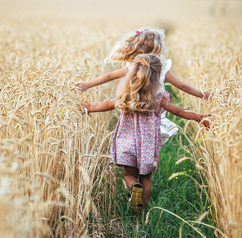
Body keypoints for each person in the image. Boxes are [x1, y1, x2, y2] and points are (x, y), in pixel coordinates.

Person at [79, 54, 210, 213]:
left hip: (127, 143)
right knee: (146, 178)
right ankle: (142, 211)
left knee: (129, 175)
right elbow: (179, 111)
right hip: (147, 146)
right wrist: (200, 118)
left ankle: (134, 187)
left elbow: (107, 105)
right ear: (156, 78)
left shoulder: (127, 96)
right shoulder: (158, 98)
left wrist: (89, 108)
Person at [77, 28, 211, 145]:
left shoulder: (129, 79)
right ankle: (146, 164)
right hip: (153, 113)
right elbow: (181, 92)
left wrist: (87, 87)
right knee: (148, 155)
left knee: (130, 163)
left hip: (131, 111)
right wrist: (203, 97)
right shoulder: (162, 71)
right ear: (158, 50)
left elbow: (109, 78)